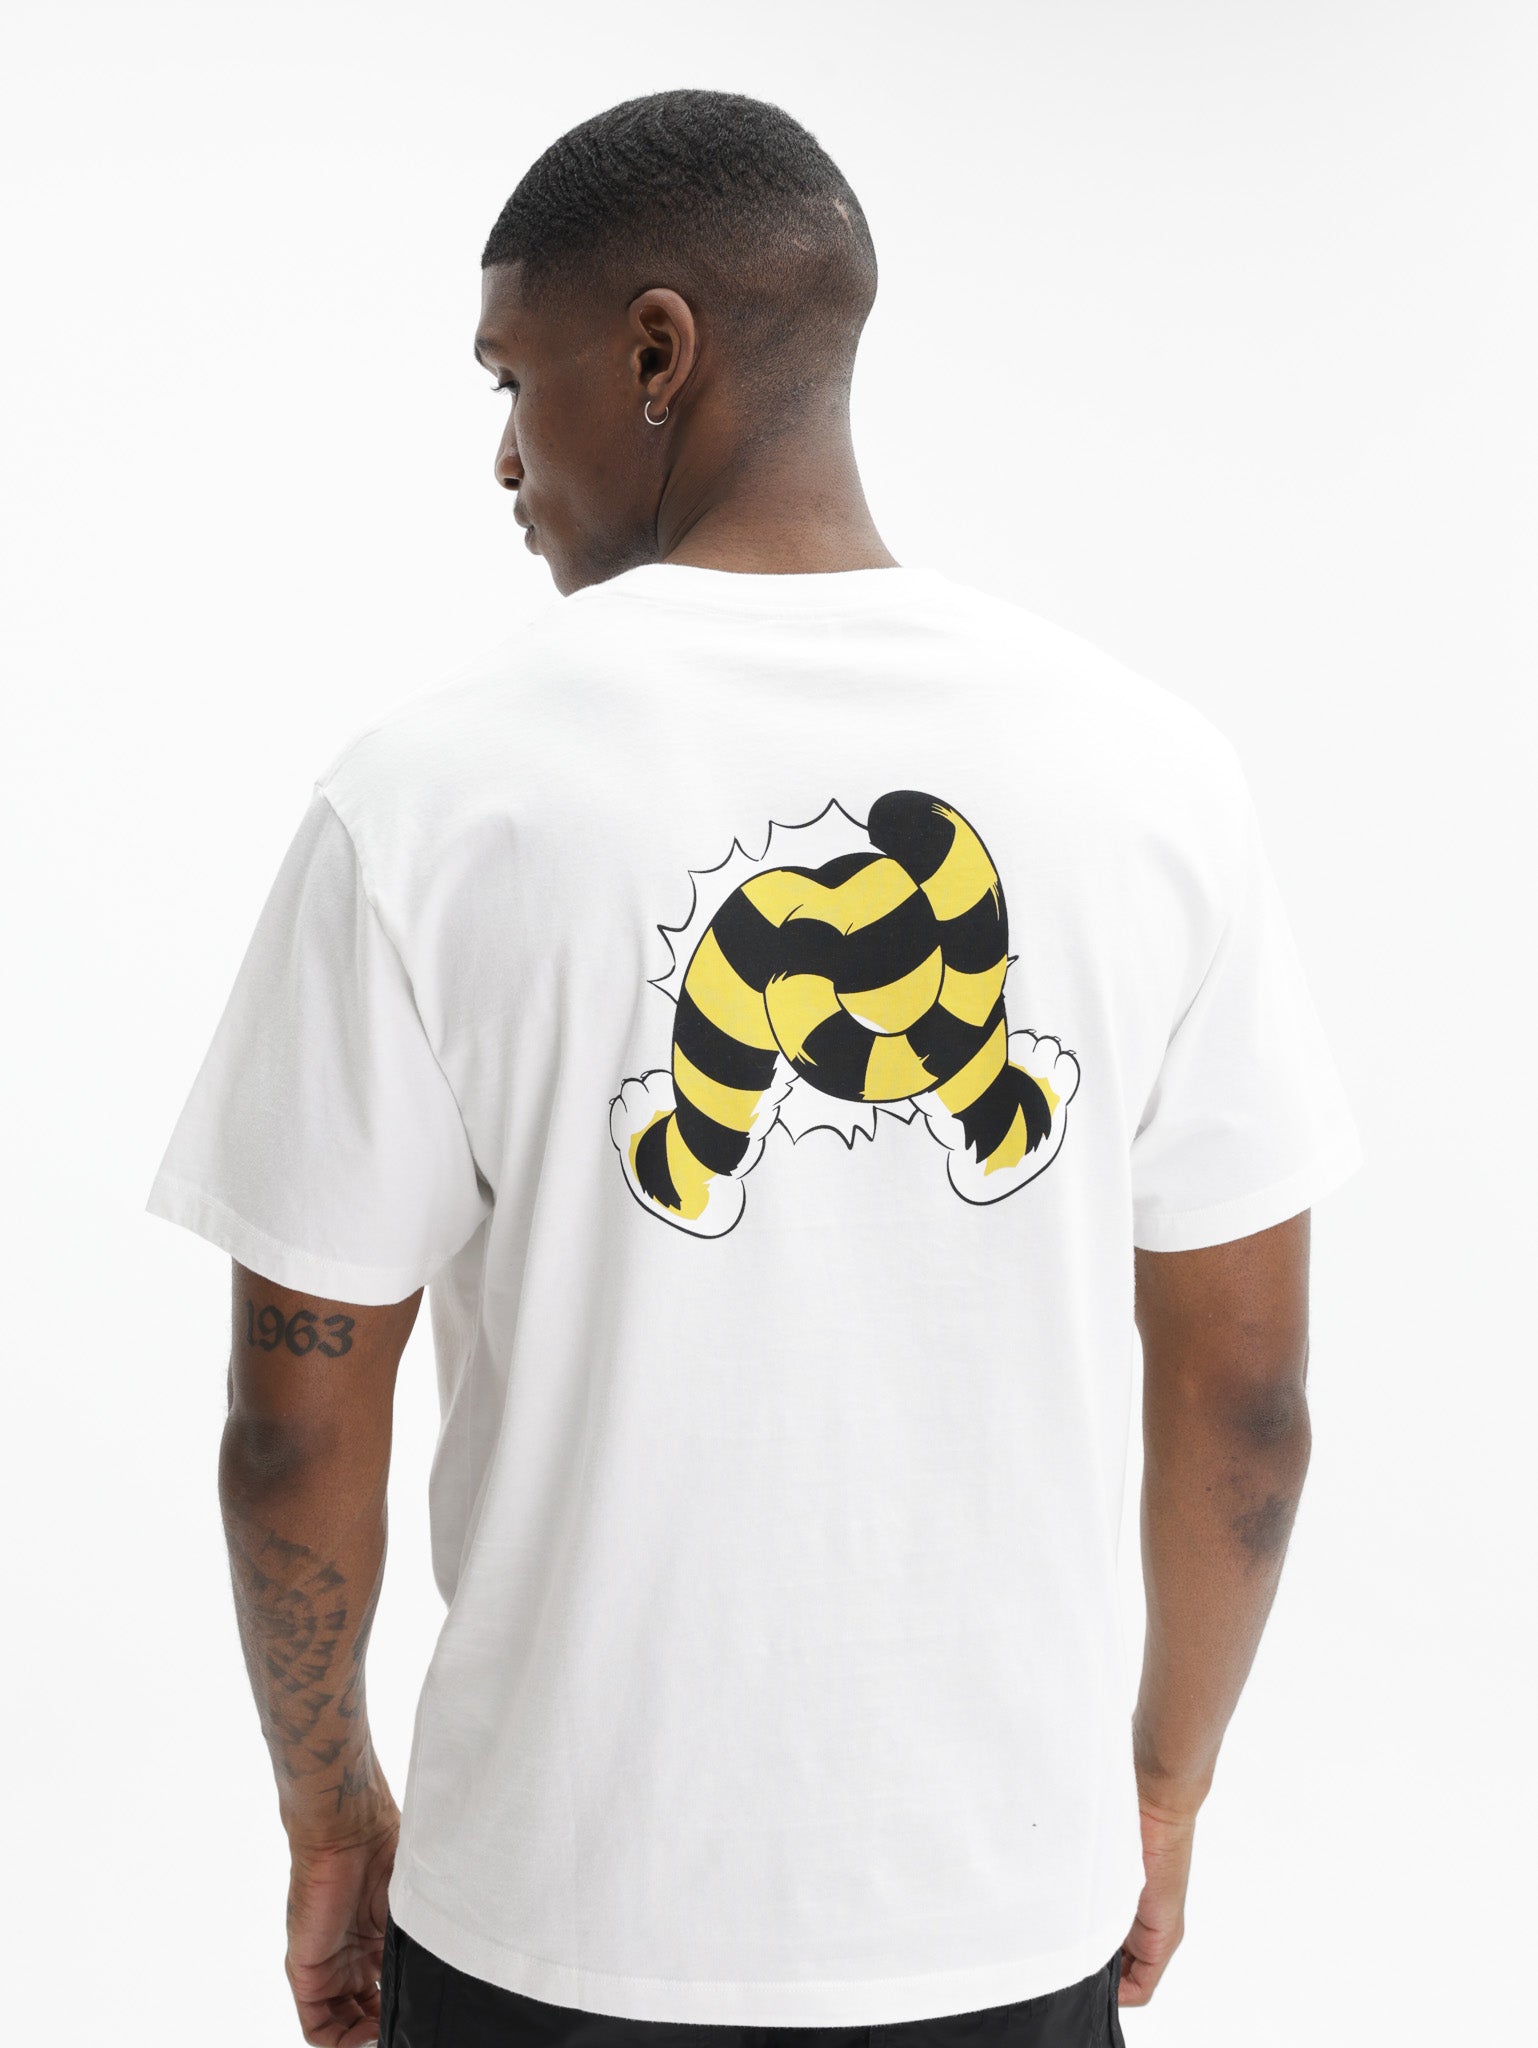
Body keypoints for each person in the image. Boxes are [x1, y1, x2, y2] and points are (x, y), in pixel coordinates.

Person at [145, 88, 1363, 2048]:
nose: (501, 455)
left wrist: (330, 1811)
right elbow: (1251, 1406)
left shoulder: (430, 799)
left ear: (656, 352)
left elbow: (293, 1431)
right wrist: (1160, 1784)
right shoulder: (1153, 780)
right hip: (998, 1918)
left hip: (547, 1923)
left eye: (511, 379)